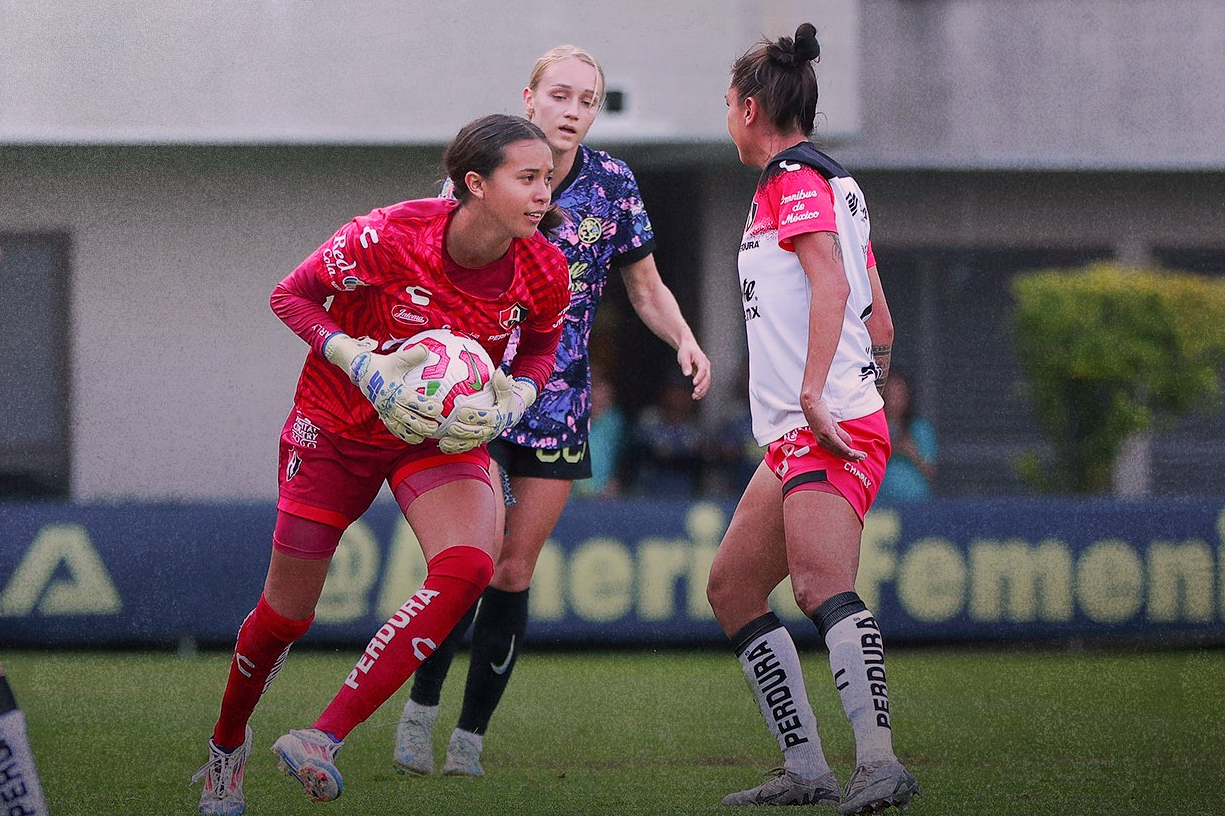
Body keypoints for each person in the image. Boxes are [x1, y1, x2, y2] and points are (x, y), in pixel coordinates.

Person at [190, 113, 571, 813]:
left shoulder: (543, 264)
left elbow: (543, 341)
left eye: (547, 176)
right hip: (334, 430)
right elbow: (290, 295)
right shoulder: (389, 234)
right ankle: (226, 747)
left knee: (471, 566)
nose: (544, 191)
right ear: (474, 185)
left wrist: (519, 392)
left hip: (434, 438)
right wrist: (358, 361)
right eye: (528, 178)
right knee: (285, 616)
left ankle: (322, 737)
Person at [393, 44, 711, 778]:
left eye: (587, 100)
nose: (572, 111)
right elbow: (424, 275)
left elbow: (645, 289)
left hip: (559, 404)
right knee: (464, 566)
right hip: (475, 400)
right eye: (560, 95)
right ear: (529, 99)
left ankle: (468, 741)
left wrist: (684, 339)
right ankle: (420, 709)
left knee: (511, 571)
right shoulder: (481, 173)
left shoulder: (613, 185)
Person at [706, 23, 920, 815]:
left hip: (819, 421)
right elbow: (882, 321)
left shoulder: (790, 179)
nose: (725, 118)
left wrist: (816, 397)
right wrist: (867, 404)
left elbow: (832, 289)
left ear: (751, 107)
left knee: (821, 585)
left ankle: (877, 761)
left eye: (728, 105)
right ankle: (805, 768)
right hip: (823, 424)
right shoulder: (834, 180)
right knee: (732, 587)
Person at [877, 370, 937, 502]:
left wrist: (911, 452)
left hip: (916, 504)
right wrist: (890, 451)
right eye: (891, 393)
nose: (895, 399)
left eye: (899, 394)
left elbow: (930, 472)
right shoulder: (873, 428)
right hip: (878, 506)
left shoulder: (920, 429)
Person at [572, 363, 626, 497]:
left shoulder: (614, 421)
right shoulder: (563, 421)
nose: (599, 393)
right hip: (569, 500)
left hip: (606, 500)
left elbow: (622, 458)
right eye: (591, 385)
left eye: (601, 386)